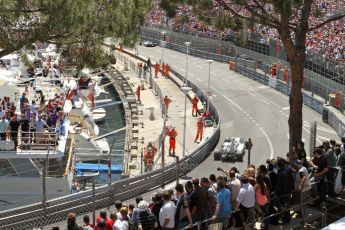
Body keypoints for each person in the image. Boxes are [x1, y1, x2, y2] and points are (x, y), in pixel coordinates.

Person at [275, 158, 294, 223]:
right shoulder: (288, 169)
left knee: (283, 205)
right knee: (287, 205)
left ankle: (286, 218)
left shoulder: (280, 173)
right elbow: (292, 179)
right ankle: (286, 217)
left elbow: (279, 185)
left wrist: (277, 194)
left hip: (283, 193)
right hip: (289, 191)